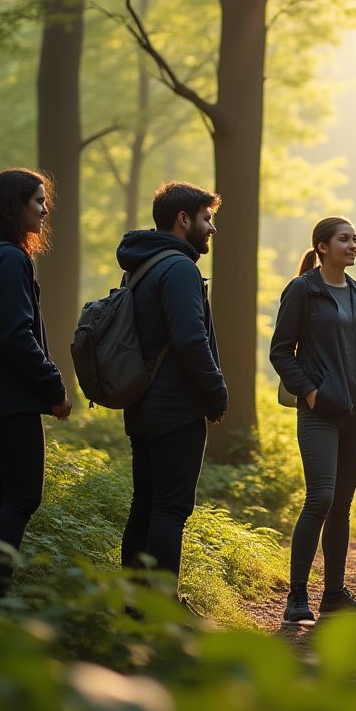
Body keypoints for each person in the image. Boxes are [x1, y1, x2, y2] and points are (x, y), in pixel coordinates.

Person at [0, 168, 72, 596]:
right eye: (38, 201)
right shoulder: (7, 258)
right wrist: (54, 386)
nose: (44, 211)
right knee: (22, 497)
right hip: (10, 397)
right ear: (13, 205)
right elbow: (16, 335)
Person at [270, 216, 356, 626]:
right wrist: (310, 391)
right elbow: (281, 351)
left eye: (355, 239)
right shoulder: (304, 290)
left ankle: (334, 595)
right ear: (322, 247)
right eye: (344, 239)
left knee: (342, 505)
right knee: (320, 498)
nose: (353, 245)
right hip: (320, 413)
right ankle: (297, 596)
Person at [116, 182, 228, 600]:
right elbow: (190, 340)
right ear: (184, 219)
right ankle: (164, 611)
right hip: (176, 407)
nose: (211, 228)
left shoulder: (141, 265)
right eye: (207, 218)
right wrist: (216, 393)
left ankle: (134, 607)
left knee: (144, 505)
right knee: (169, 509)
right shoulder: (180, 268)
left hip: (143, 404)